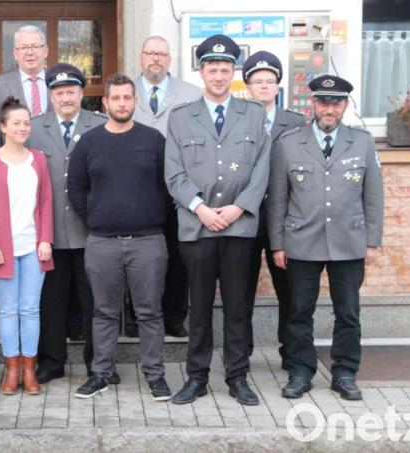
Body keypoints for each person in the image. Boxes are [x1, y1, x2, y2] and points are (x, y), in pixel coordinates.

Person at [164, 35, 270, 406]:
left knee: (239, 308)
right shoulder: (181, 117)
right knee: (200, 307)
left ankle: (238, 377)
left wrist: (239, 208)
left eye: (226, 69)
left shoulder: (254, 115)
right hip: (197, 226)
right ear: (201, 70)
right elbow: (173, 172)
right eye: (212, 68)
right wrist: (200, 208)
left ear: (235, 72)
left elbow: (262, 169)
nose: (219, 74)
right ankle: (196, 378)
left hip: (239, 227)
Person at [267, 75, 384, 401]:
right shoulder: (289, 143)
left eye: (336, 102)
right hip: (302, 241)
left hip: (349, 242)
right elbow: (278, 198)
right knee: (299, 310)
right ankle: (300, 371)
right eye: (323, 101)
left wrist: (372, 241)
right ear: (313, 104)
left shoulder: (362, 141)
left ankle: (345, 372)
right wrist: (277, 243)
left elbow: (373, 194)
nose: (329, 108)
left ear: (345, 105)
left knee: (348, 312)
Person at [68, 74, 172, 402]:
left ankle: (155, 376)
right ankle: (101, 373)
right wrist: (98, 217)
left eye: (128, 98)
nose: (123, 104)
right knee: (104, 312)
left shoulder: (154, 140)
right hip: (102, 242)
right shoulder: (88, 142)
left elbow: (168, 187)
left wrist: (147, 216)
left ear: (135, 101)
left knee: (150, 312)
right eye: (116, 98)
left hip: (148, 241)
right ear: (105, 102)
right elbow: (77, 189)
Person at [26, 63, 108, 384]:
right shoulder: (33, 129)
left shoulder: (99, 126)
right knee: (51, 301)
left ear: (81, 93)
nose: (65, 98)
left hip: (91, 231)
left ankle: (97, 362)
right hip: (50, 233)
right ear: (50, 95)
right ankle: (51, 360)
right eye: (59, 92)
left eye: (71, 91)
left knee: (94, 302)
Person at [0, 97, 54, 396]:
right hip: (2, 250)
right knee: (8, 311)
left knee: (31, 309)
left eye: (26, 123)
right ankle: (11, 370)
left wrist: (45, 238)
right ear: (3, 127)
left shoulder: (38, 159)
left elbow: (46, 200)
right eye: (16, 123)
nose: (22, 128)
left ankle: (29, 369)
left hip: (34, 247)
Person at [132, 35, 203, 338]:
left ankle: (175, 315)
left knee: (177, 254)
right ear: (141, 57)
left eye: (162, 54)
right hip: (135, 189)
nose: (156, 59)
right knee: (138, 257)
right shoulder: (125, 91)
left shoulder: (190, 93)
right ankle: (137, 317)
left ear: (170, 59)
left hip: (178, 188)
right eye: (150, 53)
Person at [241, 51, 307, 370]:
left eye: (270, 81)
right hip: (246, 217)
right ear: (248, 87)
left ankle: (291, 351)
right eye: (258, 81)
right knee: (241, 287)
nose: (265, 87)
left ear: (279, 86)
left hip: (286, 219)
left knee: (290, 289)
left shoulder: (295, 122)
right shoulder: (238, 119)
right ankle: (241, 350)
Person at [0, 24, 52, 149]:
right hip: (13, 162)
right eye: (24, 47)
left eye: (35, 46)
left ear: (45, 51)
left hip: (53, 162)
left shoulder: (58, 83)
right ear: (15, 53)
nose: (29, 52)